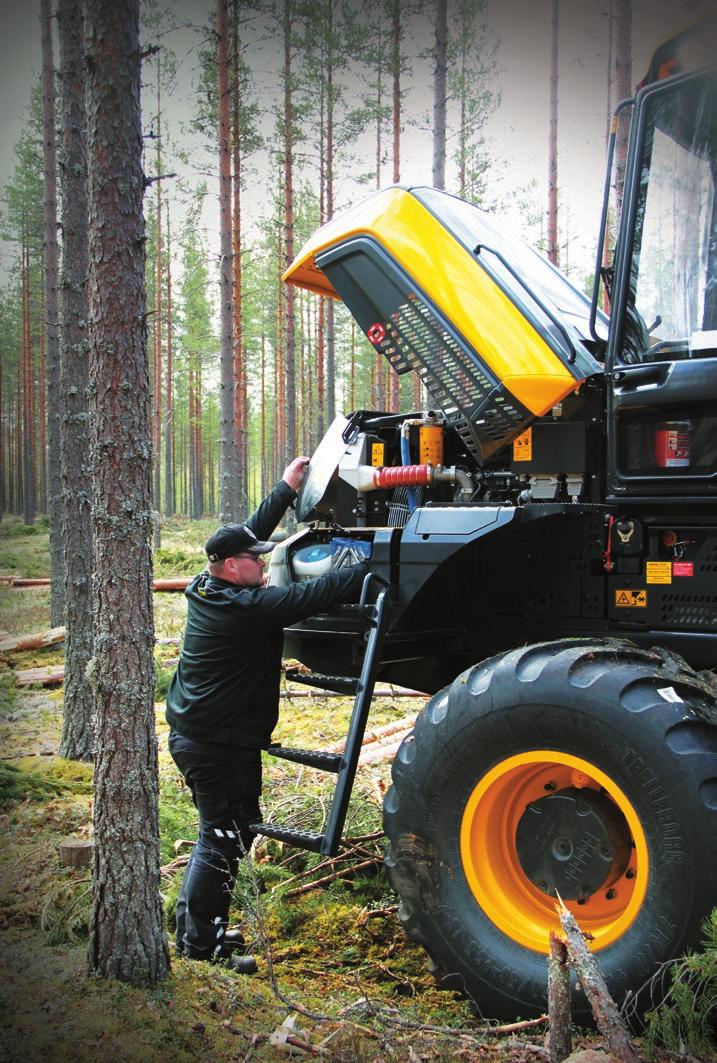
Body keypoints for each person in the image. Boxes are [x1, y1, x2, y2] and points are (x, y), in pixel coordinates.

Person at [166, 457, 369, 972]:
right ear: (233, 567)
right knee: (226, 832)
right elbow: (311, 594)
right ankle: (200, 944)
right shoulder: (248, 609)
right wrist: (375, 564)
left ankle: (197, 925)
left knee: (228, 828)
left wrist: (285, 488)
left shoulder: (208, 584)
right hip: (217, 744)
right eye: (255, 560)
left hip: (210, 737)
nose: (264, 563)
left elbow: (248, 534)